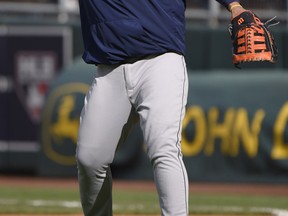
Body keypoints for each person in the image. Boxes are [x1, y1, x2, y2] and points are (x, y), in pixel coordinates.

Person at [76, 0, 246, 215]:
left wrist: (234, 5)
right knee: (90, 159)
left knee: (163, 149)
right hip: (109, 68)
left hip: (159, 60)